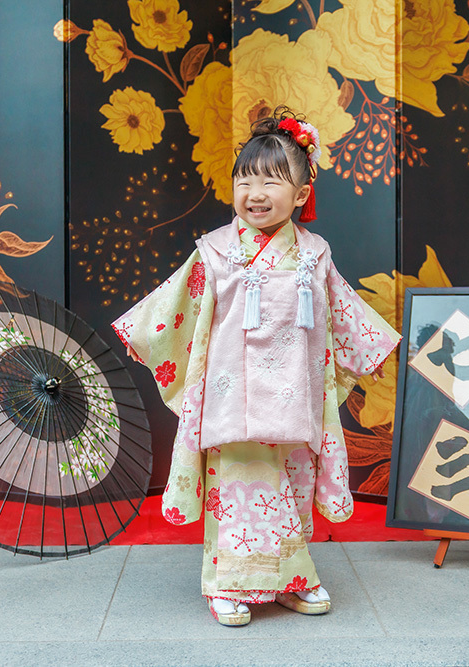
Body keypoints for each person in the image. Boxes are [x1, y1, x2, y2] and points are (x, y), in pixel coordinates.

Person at [111, 107, 400, 626]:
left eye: (272, 180)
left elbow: (340, 310)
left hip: (296, 394)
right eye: (245, 180)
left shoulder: (314, 253)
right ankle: (228, 584)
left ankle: (291, 578)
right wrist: (148, 336)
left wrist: (370, 352)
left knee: (290, 486)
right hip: (232, 395)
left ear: (302, 194)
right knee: (241, 487)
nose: (256, 193)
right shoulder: (216, 251)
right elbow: (178, 305)